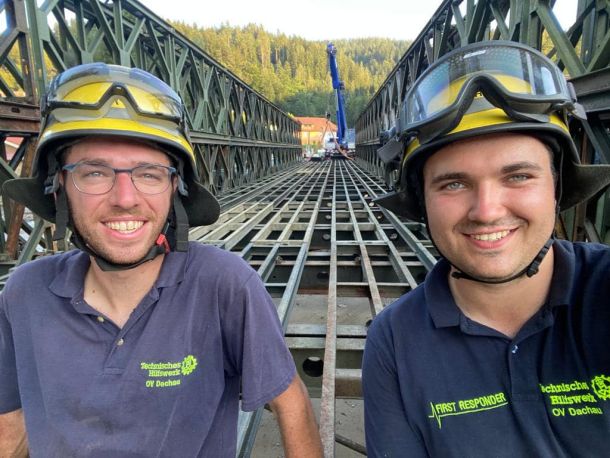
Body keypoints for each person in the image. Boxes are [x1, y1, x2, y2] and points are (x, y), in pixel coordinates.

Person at [0, 63, 323, 457]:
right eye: (95, 172)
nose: (125, 197)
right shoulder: (25, 292)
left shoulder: (224, 285)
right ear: (59, 186)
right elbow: (10, 424)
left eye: (149, 174)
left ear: (175, 188)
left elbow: (290, 403)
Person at [363, 41, 610, 457]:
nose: (486, 211)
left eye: (517, 176)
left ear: (557, 187)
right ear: (422, 203)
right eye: (453, 183)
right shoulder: (396, 342)